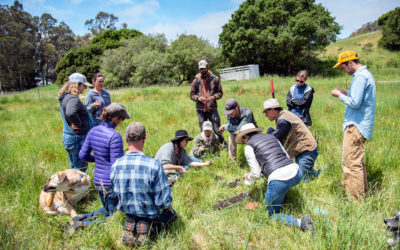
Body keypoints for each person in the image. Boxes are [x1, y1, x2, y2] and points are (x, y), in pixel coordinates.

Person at [63, 103, 130, 234]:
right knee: (113, 215)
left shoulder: (93, 130)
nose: (122, 122)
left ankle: (79, 218)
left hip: (97, 180)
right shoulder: (114, 136)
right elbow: (115, 166)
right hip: (109, 183)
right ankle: (82, 225)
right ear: (116, 118)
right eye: (122, 119)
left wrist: (98, 159)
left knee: (106, 209)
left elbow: (82, 155)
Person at [236, 123, 314, 232]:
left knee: (270, 214)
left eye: (243, 140)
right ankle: (316, 211)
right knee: (282, 187)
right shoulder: (271, 137)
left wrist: (248, 178)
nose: (244, 143)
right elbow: (285, 156)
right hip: (296, 172)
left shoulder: (249, 146)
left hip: (279, 179)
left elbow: (256, 173)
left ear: (245, 136)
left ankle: (301, 222)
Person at [110, 122, 177, 247]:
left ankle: (133, 223)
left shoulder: (116, 165)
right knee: (173, 217)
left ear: (126, 140)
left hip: (127, 209)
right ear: (144, 139)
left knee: (132, 212)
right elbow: (163, 201)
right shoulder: (154, 165)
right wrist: (168, 207)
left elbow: (115, 192)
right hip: (149, 211)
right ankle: (149, 228)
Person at [331, 50, 376, 201]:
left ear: (350, 63)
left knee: (350, 164)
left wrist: (340, 96)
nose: (343, 71)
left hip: (355, 126)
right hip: (360, 125)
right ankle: (363, 194)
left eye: (343, 67)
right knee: (357, 162)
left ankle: (356, 201)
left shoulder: (360, 77)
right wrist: (346, 93)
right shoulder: (365, 75)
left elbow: (355, 103)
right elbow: (358, 98)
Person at [263, 99, 320, 182]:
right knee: (299, 176)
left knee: (303, 179)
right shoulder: (282, 115)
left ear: (272, 110)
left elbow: (274, 138)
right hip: (300, 150)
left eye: (266, 112)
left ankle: (323, 173)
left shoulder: (283, 121)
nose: (265, 115)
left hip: (306, 150)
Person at [58, 72, 93, 172]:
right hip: (76, 138)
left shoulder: (65, 97)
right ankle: (76, 187)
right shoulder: (73, 99)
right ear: (76, 85)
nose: (85, 88)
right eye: (83, 85)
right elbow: (70, 112)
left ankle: (71, 187)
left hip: (70, 137)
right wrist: (78, 123)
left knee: (74, 166)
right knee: (80, 168)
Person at [190, 60, 225, 146]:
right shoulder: (196, 80)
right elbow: (192, 95)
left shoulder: (215, 79)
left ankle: (223, 146)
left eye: (204, 68)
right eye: (201, 69)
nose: (202, 70)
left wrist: (213, 97)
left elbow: (220, 93)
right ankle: (204, 148)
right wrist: (199, 98)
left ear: (208, 67)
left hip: (212, 108)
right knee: (203, 130)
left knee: (217, 129)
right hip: (200, 109)